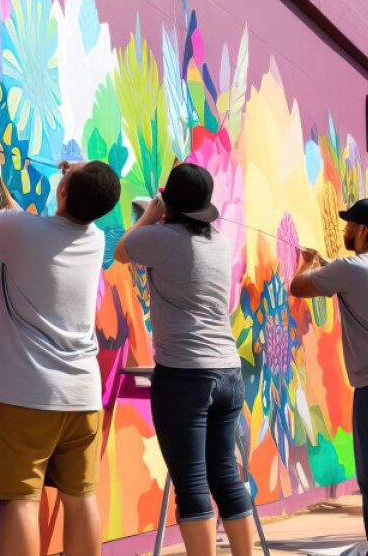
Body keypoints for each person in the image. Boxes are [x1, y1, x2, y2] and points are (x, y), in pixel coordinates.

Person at [0, 151, 121, 556]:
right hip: (83, 398)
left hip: (28, 395)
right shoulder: (95, 238)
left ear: (64, 188)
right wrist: (7, 195)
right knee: (81, 496)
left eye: (69, 170)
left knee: (21, 500)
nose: (65, 167)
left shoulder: (23, 233)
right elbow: (29, 229)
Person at [112, 163, 254, 556]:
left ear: (170, 204)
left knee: (192, 483)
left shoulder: (161, 239)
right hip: (228, 372)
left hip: (185, 377)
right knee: (225, 476)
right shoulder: (220, 241)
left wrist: (151, 214)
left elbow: (122, 250)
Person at [289, 198, 368, 556]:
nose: (344, 230)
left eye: (348, 225)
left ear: (361, 231)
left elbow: (299, 287)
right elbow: (359, 286)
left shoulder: (352, 268)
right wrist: (329, 268)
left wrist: (306, 262)